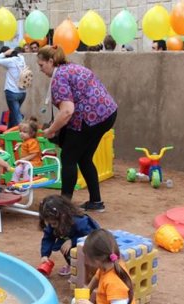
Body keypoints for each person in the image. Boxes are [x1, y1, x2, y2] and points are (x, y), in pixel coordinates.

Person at [37, 45, 118, 212]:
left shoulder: (59, 77)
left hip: (89, 118)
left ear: (51, 61)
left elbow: (67, 111)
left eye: (41, 65)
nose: (41, 70)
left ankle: (62, 207)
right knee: (84, 157)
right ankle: (95, 202)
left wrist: (51, 130)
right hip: (107, 113)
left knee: (68, 156)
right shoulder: (73, 67)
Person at [72, 229, 137, 304]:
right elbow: (97, 278)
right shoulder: (106, 266)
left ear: (97, 260)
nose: (85, 260)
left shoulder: (114, 281)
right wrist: (87, 290)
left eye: (86, 256)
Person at [38, 195, 100, 276]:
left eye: (54, 223)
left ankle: (86, 269)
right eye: (50, 224)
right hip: (71, 238)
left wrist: (73, 241)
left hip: (90, 241)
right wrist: (45, 255)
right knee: (63, 246)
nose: (52, 226)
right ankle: (73, 265)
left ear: (63, 216)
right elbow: (48, 238)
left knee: (80, 251)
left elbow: (91, 235)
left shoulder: (79, 221)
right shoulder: (54, 221)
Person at [0, 46, 26, 129]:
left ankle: (26, 133)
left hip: (12, 92)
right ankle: (9, 131)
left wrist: (4, 54)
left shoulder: (10, 61)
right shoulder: (22, 58)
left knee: (17, 117)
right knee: (13, 113)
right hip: (23, 92)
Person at [8, 118, 42, 195]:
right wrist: (21, 144)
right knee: (17, 169)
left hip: (33, 163)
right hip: (26, 162)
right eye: (20, 131)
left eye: (24, 132)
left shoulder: (33, 141)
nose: (21, 133)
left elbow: (34, 154)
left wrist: (23, 159)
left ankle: (25, 186)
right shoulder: (26, 141)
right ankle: (14, 184)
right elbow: (26, 145)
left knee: (27, 169)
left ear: (32, 133)